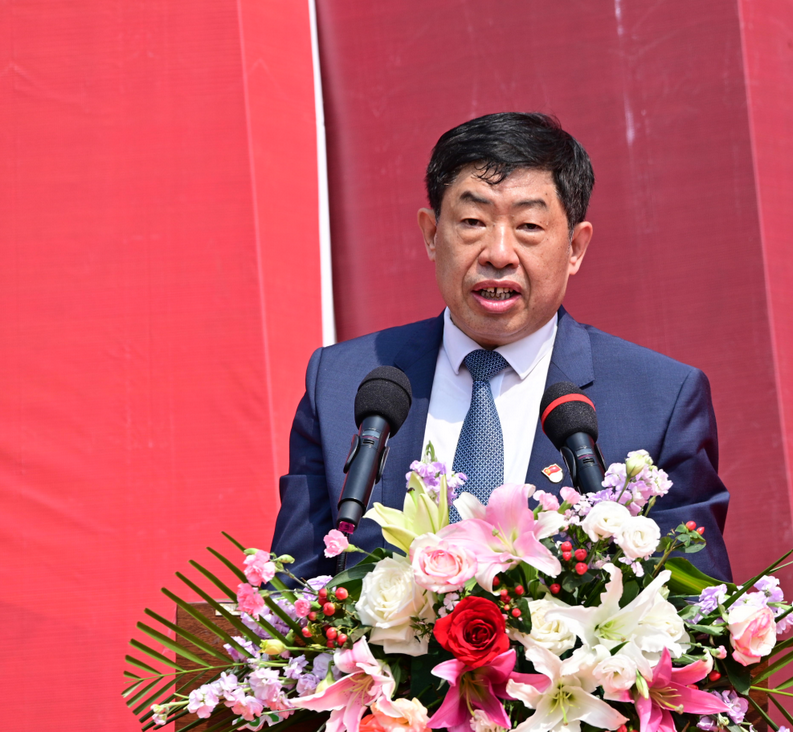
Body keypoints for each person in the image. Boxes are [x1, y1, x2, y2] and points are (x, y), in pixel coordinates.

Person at [269, 112, 732, 581]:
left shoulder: (659, 402)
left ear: (575, 247)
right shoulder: (341, 383)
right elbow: (291, 595)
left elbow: (695, 606)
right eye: (473, 221)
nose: (498, 254)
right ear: (432, 235)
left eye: (529, 226)